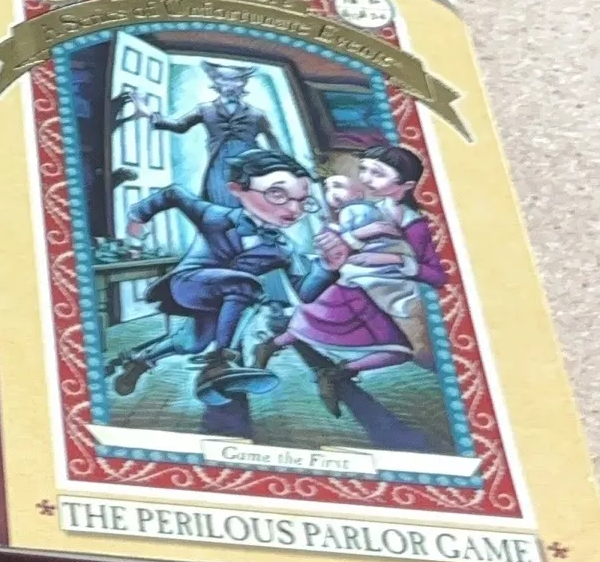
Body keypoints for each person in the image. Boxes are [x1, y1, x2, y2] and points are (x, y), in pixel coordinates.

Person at [117, 147, 315, 400]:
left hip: (227, 300)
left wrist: (332, 268)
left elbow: (306, 289)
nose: (294, 208)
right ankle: (221, 361)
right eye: (277, 194)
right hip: (191, 283)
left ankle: (141, 361)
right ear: (237, 189)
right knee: (248, 286)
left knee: (193, 342)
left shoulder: (284, 248)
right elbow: (174, 193)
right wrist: (137, 217)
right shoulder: (214, 216)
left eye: (302, 200)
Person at [268, 144, 446, 418]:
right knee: (319, 319)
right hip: (355, 286)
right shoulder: (366, 211)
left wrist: (391, 259)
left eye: (377, 173)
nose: (366, 178)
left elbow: (436, 274)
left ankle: (329, 370)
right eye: (364, 170)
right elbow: (341, 244)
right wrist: (345, 240)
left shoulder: (416, 225)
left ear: (406, 185)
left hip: (385, 293)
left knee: (403, 352)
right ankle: (312, 363)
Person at [148, 62, 280, 206]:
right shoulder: (205, 109)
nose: (229, 85)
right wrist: (148, 114)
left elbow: (273, 141)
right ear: (216, 82)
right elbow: (180, 126)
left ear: (243, 83)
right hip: (218, 169)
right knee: (218, 206)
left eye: (235, 80)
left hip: (250, 168)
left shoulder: (257, 114)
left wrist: (278, 167)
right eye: (224, 80)